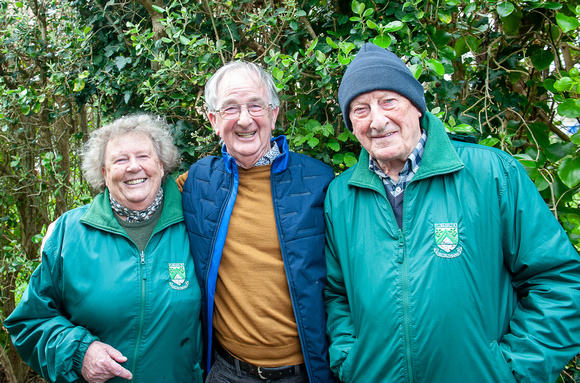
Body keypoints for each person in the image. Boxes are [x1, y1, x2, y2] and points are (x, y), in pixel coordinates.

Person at [324, 42, 580, 383]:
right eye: (360, 109)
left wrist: (512, 371)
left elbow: (559, 281)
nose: (377, 120)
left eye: (389, 101)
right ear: (351, 124)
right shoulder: (341, 195)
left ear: (416, 107)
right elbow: (336, 293)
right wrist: (349, 360)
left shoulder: (491, 173)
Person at [5, 114, 204, 382]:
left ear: (161, 165)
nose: (133, 167)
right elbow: (29, 323)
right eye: (120, 160)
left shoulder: (197, 224)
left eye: (143, 156)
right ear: (104, 173)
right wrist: (79, 352)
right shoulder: (70, 232)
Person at [177, 61, 337, 382]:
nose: (245, 119)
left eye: (255, 105)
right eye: (230, 108)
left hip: (304, 372)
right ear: (213, 120)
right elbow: (143, 194)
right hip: (226, 371)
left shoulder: (320, 180)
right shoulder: (197, 181)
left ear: (274, 114)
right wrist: (73, 224)